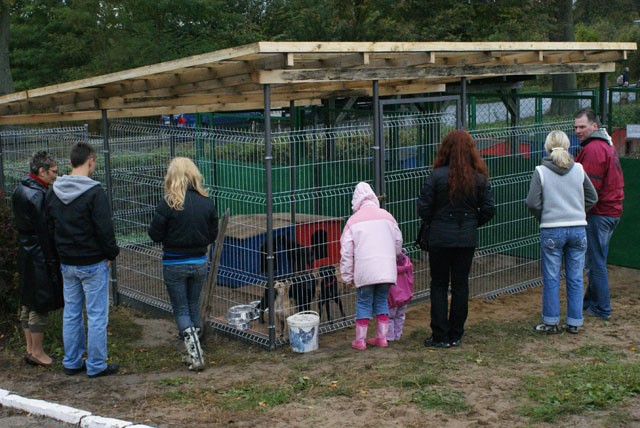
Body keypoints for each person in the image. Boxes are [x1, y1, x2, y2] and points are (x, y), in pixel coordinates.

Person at [46, 142, 120, 378]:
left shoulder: (53, 192)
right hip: (92, 262)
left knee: (72, 312)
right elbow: (104, 229)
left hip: (67, 262)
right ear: (90, 161)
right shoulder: (95, 192)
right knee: (97, 315)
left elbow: (50, 227)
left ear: (70, 162)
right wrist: (111, 253)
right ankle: (96, 365)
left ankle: (72, 361)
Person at [417, 129, 495, 348]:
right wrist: (472, 222)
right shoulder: (479, 178)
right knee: (460, 285)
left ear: (445, 149)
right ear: (471, 150)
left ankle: (440, 335)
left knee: (439, 284)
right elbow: (489, 209)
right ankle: (456, 333)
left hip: (440, 238)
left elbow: (423, 208)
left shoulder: (436, 176)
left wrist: (437, 221)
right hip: (465, 239)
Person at [148, 157, 218, 371]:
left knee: (180, 308)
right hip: (198, 262)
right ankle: (195, 347)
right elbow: (212, 234)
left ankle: (194, 353)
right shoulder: (206, 201)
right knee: (192, 304)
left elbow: (154, 234)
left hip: (174, 263)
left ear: (173, 176)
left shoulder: (168, 202)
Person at [526, 131, 598, 334]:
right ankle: (574, 322)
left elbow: (532, 202)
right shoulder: (579, 169)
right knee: (576, 276)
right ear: (568, 146)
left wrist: (544, 217)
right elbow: (592, 198)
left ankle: (550, 321)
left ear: (547, 147)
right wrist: (579, 212)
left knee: (551, 277)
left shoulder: (540, 171)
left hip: (551, 229)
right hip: (578, 228)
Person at [11, 151, 63, 367]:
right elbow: (45, 231)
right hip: (40, 255)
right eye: (53, 172)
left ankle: (30, 349)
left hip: (25, 252)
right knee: (39, 305)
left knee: (27, 302)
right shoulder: (39, 195)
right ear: (41, 171)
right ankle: (38, 351)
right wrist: (53, 261)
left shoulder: (20, 189)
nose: (56, 177)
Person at [574, 108, 625, 320]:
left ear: (594, 126)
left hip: (599, 213)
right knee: (595, 260)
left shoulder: (594, 149)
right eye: (575, 127)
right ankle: (591, 302)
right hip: (610, 211)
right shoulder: (605, 145)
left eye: (582, 126)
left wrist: (579, 212)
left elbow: (589, 189)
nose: (578, 131)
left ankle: (602, 308)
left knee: (595, 262)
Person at [340, 182, 403, 350]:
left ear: (356, 200)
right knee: (382, 301)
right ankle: (382, 338)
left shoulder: (353, 221)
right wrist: (393, 257)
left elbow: (346, 252)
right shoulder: (387, 216)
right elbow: (398, 242)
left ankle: (360, 341)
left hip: (365, 272)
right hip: (386, 271)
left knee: (363, 303)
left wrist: (347, 277)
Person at [387, 250, 414, 341]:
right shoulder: (407, 264)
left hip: (392, 297)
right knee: (400, 316)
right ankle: (398, 334)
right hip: (405, 295)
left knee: (390, 317)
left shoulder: (389, 267)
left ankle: (390, 336)